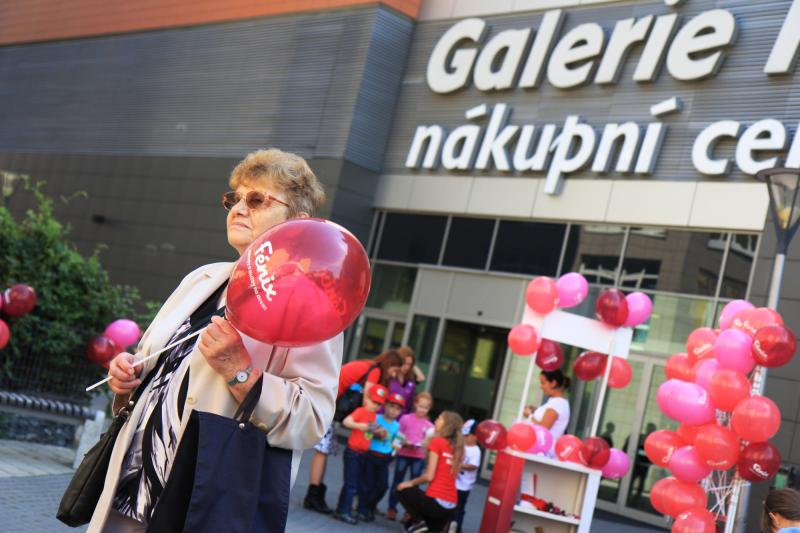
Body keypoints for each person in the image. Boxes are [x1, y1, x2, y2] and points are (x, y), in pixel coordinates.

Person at [96, 148, 341, 532]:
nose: (239, 209)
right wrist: (127, 376)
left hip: (202, 503)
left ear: (298, 222)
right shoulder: (202, 279)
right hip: (132, 492)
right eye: (235, 198)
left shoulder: (308, 304)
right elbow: (153, 366)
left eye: (256, 200)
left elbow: (311, 419)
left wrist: (240, 372)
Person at [304, 349, 405, 513]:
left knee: (324, 449)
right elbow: (368, 401)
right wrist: (376, 425)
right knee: (322, 450)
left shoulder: (369, 365)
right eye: (395, 370)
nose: (394, 375)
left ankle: (315, 491)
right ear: (390, 364)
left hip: (328, 400)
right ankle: (313, 494)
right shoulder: (375, 371)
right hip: (328, 402)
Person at [396, 411, 464, 533]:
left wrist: (410, 483)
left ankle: (419, 522)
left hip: (435, 501)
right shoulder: (459, 449)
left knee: (401, 489)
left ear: (446, 425)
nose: (436, 420)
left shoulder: (437, 442)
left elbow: (429, 476)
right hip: (451, 504)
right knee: (416, 527)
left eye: (439, 418)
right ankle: (445, 527)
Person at [334, 384, 389, 524]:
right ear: (367, 399)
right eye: (374, 402)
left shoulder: (374, 416)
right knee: (351, 484)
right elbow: (346, 421)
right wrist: (361, 426)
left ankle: (341, 509)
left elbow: (369, 433)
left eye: (379, 404)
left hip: (363, 453)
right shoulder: (361, 411)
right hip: (353, 452)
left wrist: (379, 434)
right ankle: (344, 511)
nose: (376, 406)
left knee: (354, 483)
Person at [387, 392, 435, 521]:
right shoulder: (405, 418)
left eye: (425, 408)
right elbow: (398, 436)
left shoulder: (430, 426)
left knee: (414, 484)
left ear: (429, 408)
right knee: (398, 480)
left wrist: (423, 445)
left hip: (418, 456)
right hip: (403, 453)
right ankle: (392, 507)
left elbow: (429, 444)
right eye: (420, 406)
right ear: (415, 405)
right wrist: (396, 449)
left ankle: (409, 512)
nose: (422, 410)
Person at [359, 392, 404, 521]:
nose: (393, 411)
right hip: (371, 454)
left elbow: (396, 442)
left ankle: (371, 505)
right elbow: (367, 435)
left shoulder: (397, 425)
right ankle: (363, 509)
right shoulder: (376, 418)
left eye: (397, 409)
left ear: (400, 412)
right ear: (386, 406)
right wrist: (376, 434)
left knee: (383, 486)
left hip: (385, 458)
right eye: (391, 406)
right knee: (367, 484)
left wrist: (397, 449)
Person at [526, 369, 571, 457]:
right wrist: (535, 411)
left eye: (543, 383)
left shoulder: (558, 404)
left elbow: (543, 428)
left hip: (543, 452)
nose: (541, 387)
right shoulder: (555, 402)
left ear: (553, 383)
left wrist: (530, 416)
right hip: (538, 449)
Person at [454, 419, 482, 533]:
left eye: (467, 435)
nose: (464, 438)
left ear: (475, 437)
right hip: (455, 482)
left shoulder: (476, 450)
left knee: (459, 508)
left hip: (464, 485)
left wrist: (460, 465)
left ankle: (457, 529)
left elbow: (473, 466)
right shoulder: (462, 446)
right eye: (463, 435)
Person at [387, 346, 426, 416]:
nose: (407, 367)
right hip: (384, 416)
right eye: (404, 363)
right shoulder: (390, 376)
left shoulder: (410, 381)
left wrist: (413, 366)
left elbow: (421, 378)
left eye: (409, 364)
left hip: (402, 418)